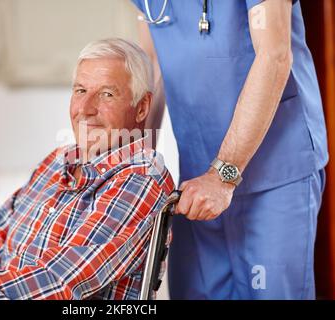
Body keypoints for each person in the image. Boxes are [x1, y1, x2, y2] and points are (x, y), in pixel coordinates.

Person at [0, 38, 174, 300]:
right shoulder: (56, 163)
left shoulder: (139, 179)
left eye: (107, 94)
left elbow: (57, 281)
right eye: (80, 90)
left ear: (141, 107)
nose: (85, 108)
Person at [132, 0, 329, 299]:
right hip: (194, 181)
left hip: (274, 173)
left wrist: (223, 174)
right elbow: (152, 64)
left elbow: (274, 54)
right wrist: (134, 172)